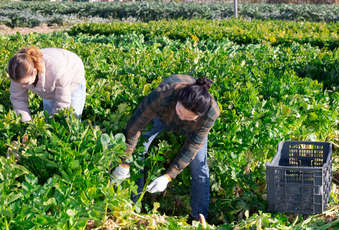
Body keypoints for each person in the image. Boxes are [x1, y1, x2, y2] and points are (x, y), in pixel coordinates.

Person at [112, 74, 220, 221]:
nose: (182, 117)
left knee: (199, 165)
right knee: (138, 153)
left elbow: (193, 146)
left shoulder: (211, 113)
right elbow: (136, 125)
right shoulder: (163, 94)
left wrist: (168, 176)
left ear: (198, 116)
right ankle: (133, 207)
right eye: (181, 112)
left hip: (193, 129)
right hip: (162, 117)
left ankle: (199, 217)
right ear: (178, 100)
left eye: (188, 117)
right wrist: (124, 161)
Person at [7, 47, 86, 122]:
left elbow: (62, 103)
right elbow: (18, 99)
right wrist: (27, 123)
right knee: (48, 119)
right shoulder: (17, 73)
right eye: (20, 83)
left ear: (34, 72)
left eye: (26, 83)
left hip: (73, 75)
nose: (23, 86)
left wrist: (55, 121)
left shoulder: (56, 71)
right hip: (50, 83)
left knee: (72, 120)